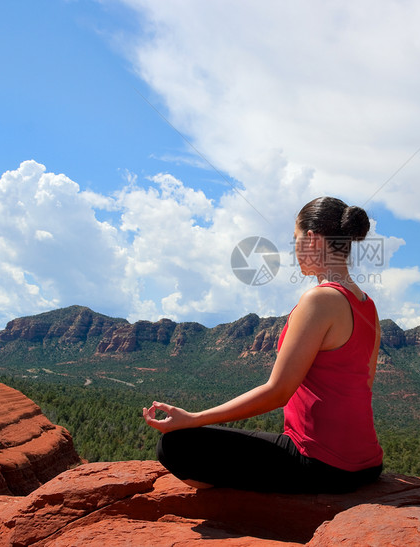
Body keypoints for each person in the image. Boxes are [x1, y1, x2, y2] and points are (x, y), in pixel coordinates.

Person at [142, 196, 383, 493]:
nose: (294, 249)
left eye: (295, 239)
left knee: (175, 445)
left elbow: (277, 392)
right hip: (368, 464)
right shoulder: (367, 306)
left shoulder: (320, 300)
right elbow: (365, 384)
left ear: (312, 240)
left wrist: (194, 419)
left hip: (319, 463)